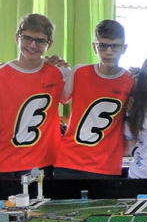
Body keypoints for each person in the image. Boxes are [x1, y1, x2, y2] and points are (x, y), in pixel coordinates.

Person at [0, 14, 67, 179]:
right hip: (7, 166)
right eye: (27, 38)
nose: (32, 45)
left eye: (40, 41)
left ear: (49, 43)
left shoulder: (60, 73)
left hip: (48, 165)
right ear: (17, 37)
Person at [54, 20, 135, 178]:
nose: (109, 52)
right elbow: (61, 99)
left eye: (115, 46)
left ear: (124, 48)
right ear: (94, 47)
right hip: (69, 163)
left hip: (106, 166)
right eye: (102, 46)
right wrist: (53, 67)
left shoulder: (131, 80)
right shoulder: (79, 72)